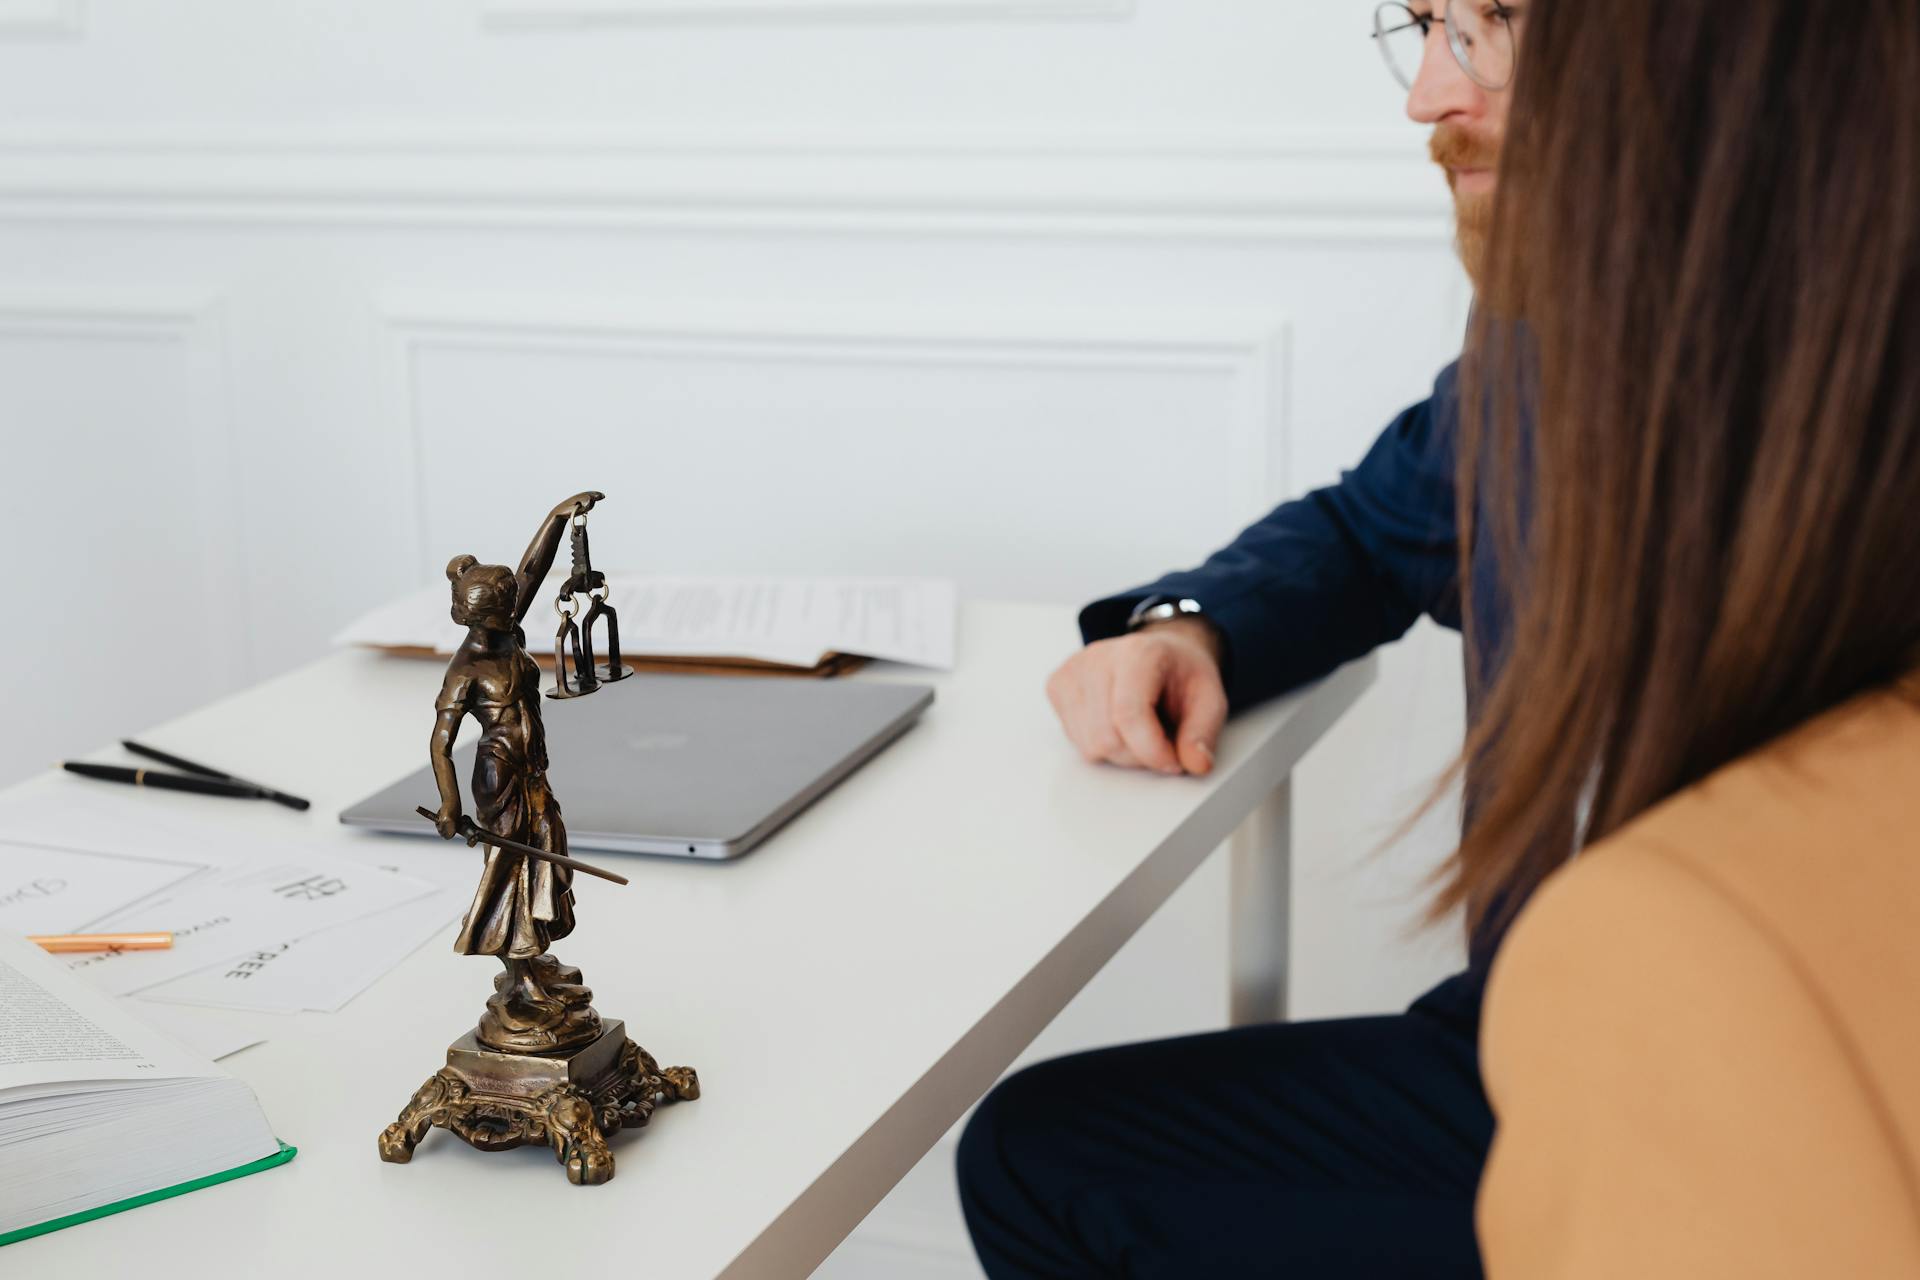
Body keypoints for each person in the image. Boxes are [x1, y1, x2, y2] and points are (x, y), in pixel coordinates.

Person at [958, 5, 1523, 1275]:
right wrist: (1190, 627)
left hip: (1777, 1113)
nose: (1428, 96)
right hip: (1537, 1037)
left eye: (1492, 25)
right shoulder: (1554, 331)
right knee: (1046, 1155)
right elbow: (1374, 531)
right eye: (1425, 26)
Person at [430, 490, 607, 1053]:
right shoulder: (467, 668)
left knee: (548, 859)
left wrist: (556, 518)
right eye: (508, 604)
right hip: (499, 778)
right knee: (513, 872)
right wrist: (450, 805)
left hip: (533, 771)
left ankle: (533, 966)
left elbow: (532, 570)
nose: (518, 606)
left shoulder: (506, 631)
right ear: (482, 613)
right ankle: (522, 978)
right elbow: (441, 742)